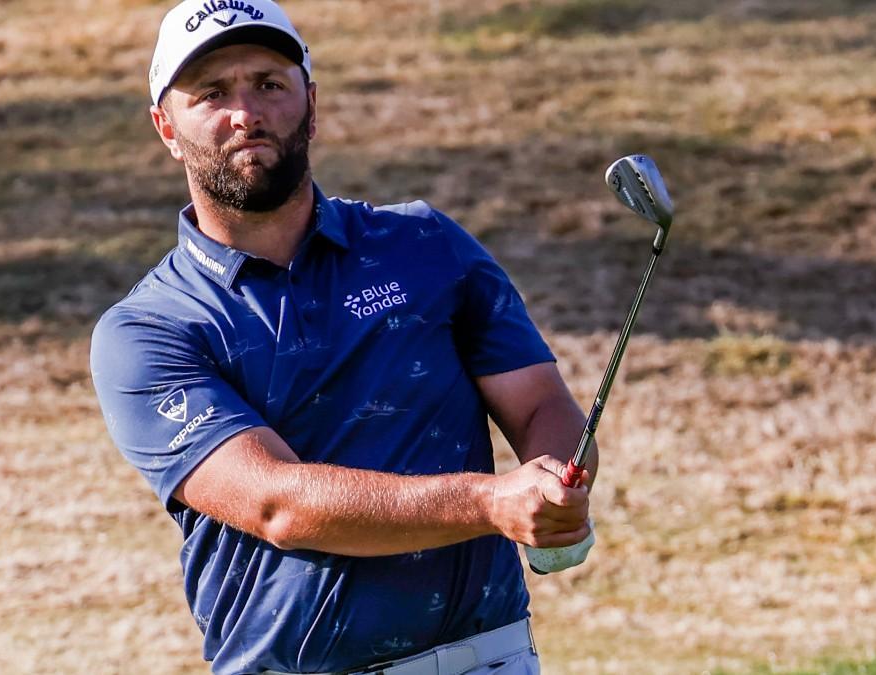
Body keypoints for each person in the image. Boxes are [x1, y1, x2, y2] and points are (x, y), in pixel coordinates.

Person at [90, 0, 598, 672]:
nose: (246, 112)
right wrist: (491, 501)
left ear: (312, 103)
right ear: (166, 127)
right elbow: (279, 502)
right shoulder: (150, 329)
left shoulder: (423, 244)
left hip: (490, 656)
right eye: (212, 93)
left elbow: (538, 403)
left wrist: (555, 485)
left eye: (270, 84)